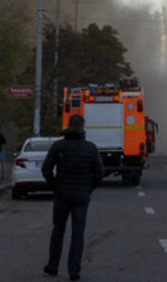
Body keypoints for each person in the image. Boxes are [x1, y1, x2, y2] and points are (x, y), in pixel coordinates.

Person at [41, 114, 104, 281]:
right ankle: (74, 270)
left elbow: (46, 169)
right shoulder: (90, 148)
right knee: (78, 233)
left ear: (69, 126)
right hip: (81, 197)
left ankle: (53, 265)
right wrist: (88, 188)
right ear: (83, 127)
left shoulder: (58, 146)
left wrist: (55, 186)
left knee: (58, 231)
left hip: (61, 195)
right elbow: (99, 172)